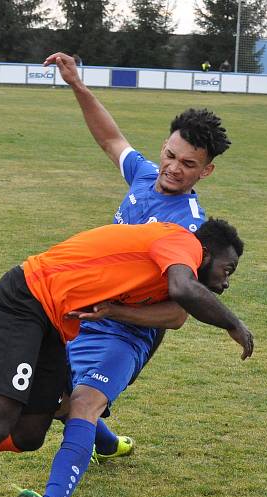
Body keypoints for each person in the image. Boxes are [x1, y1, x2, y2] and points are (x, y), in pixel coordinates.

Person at [0, 219, 253, 497]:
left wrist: (115, 311)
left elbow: (176, 314)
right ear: (205, 252)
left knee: (29, 433)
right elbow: (182, 289)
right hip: (26, 301)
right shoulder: (182, 241)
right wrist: (233, 324)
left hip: (54, 323)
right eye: (227, 270)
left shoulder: (174, 262)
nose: (225, 283)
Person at [41, 51, 230, 464]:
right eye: (171, 155)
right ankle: (108, 443)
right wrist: (77, 83)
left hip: (125, 328)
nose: (174, 169)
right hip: (87, 307)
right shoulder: (145, 176)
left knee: (77, 401)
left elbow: (177, 313)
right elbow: (110, 138)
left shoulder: (189, 227)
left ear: (206, 172)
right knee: (56, 395)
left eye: (188, 165)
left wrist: (114, 311)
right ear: (164, 147)